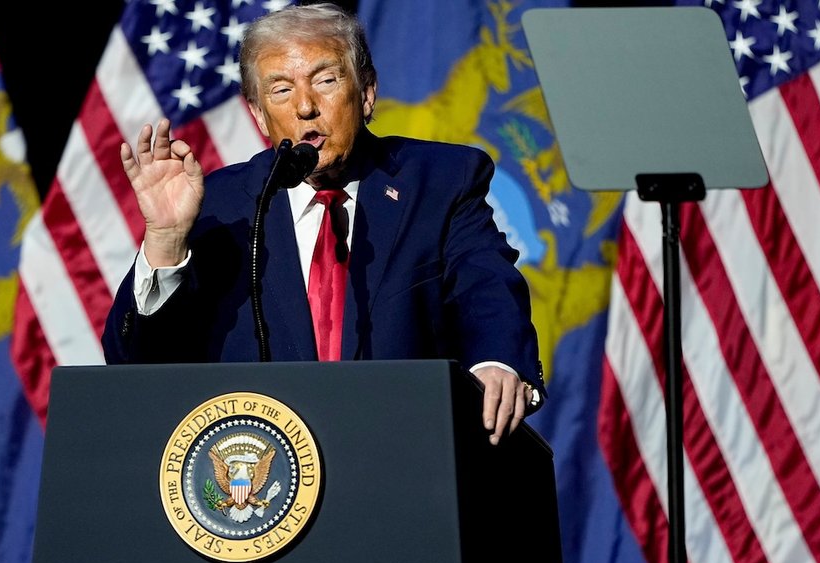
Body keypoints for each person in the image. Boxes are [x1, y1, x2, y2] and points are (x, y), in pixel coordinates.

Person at [102, 2, 545, 445]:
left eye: (325, 80)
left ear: (366, 91)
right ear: (258, 114)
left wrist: (496, 362)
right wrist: (165, 240)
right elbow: (135, 365)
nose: (306, 107)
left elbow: (486, 285)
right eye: (280, 90)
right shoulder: (219, 204)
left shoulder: (440, 181)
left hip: (405, 452)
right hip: (262, 481)